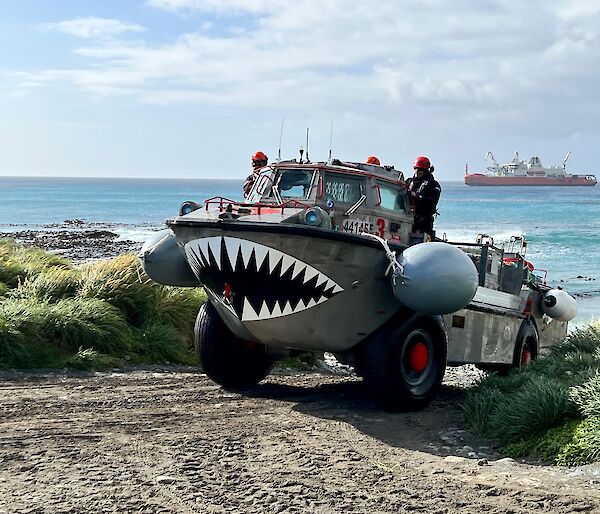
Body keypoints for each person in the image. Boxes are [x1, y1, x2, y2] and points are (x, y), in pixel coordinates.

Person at [406, 155, 441, 239]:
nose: (417, 171)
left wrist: (419, 197)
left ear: (426, 170)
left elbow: (432, 203)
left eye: (420, 169)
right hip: (408, 217)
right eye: (415, 168)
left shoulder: (434, 185)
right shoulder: (408, 182)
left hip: (424, 220)